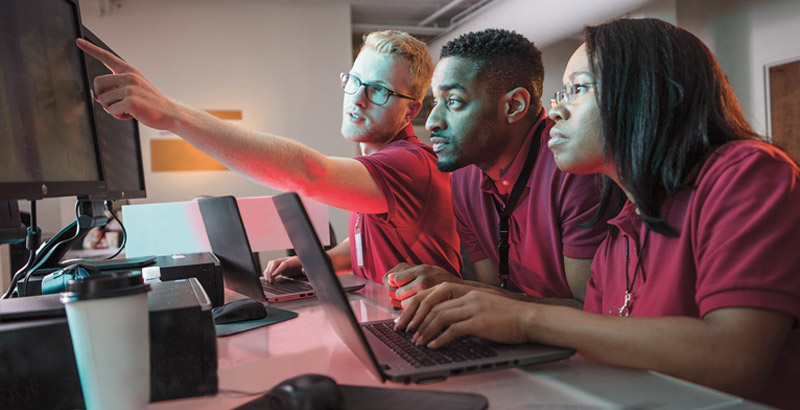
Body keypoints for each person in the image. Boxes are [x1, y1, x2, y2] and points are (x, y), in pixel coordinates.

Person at [395, 18, 800, 408]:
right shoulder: (621, 229)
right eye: (561, 94)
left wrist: (524, 318)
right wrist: (478, 301)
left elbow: (734, 357)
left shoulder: (746, 173)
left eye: (577, 89)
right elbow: (597, 327)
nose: (555, 113)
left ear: (645, 93)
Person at [77, 31, 462, 284]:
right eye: (355, 82)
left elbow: (309, 173)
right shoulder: (377, 170)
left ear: (411, 112)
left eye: (379, 91)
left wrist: (171, 114)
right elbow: (370, 237)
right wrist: (328, 260)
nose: (357, 99)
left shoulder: (409, 164)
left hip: (429, 337)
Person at [384, 29, 610, 308]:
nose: (432, 122)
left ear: (514, 106)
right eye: (435, 102)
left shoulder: (575, 168)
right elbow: (493, 293)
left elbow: (591, 311)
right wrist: (453, 288)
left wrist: (460, 290)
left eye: (454, 102)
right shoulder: (464, 176)